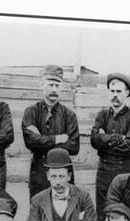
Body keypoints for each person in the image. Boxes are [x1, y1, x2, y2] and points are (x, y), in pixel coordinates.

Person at [90, 73, 130, 221]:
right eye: (112, 91)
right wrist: (119, 138)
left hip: (124, 173)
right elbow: (94, 140)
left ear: (126, 93)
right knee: (103, 220)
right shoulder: (102, 115)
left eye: (119, 91)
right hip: (103, 172)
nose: (115, 95)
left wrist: (104, 138)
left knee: (124, 218)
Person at [22, 64, 80, 199]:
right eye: (50, 84)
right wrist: (57, 139)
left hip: (63, 173)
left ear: (62, 87)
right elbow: (30, 142)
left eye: (57, 85)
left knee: (64, 214)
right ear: (41, 84)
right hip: (39, 173)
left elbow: (74, 146)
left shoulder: (69, 115)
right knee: (39, 213)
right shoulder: (31, 112)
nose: (54, 89)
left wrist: (42, 139)